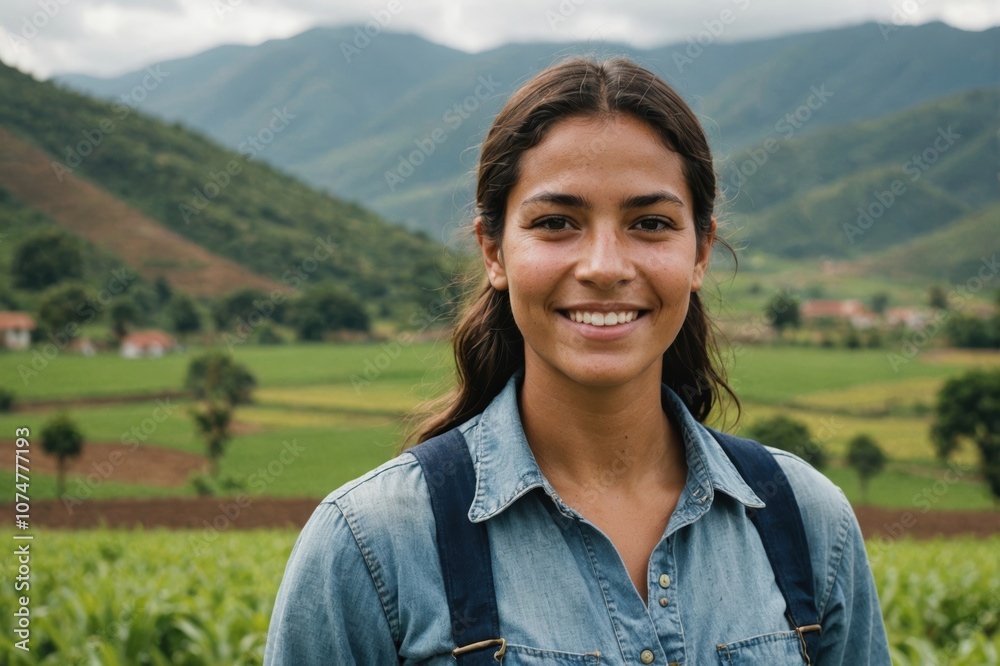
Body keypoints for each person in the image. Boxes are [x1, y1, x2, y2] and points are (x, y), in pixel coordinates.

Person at [264, 56, 891, 665]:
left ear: (700, 251)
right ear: (495, 251)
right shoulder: (372, 543)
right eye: (557, 221)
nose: (605, 267)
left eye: (650, 222)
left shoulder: (805, 522)